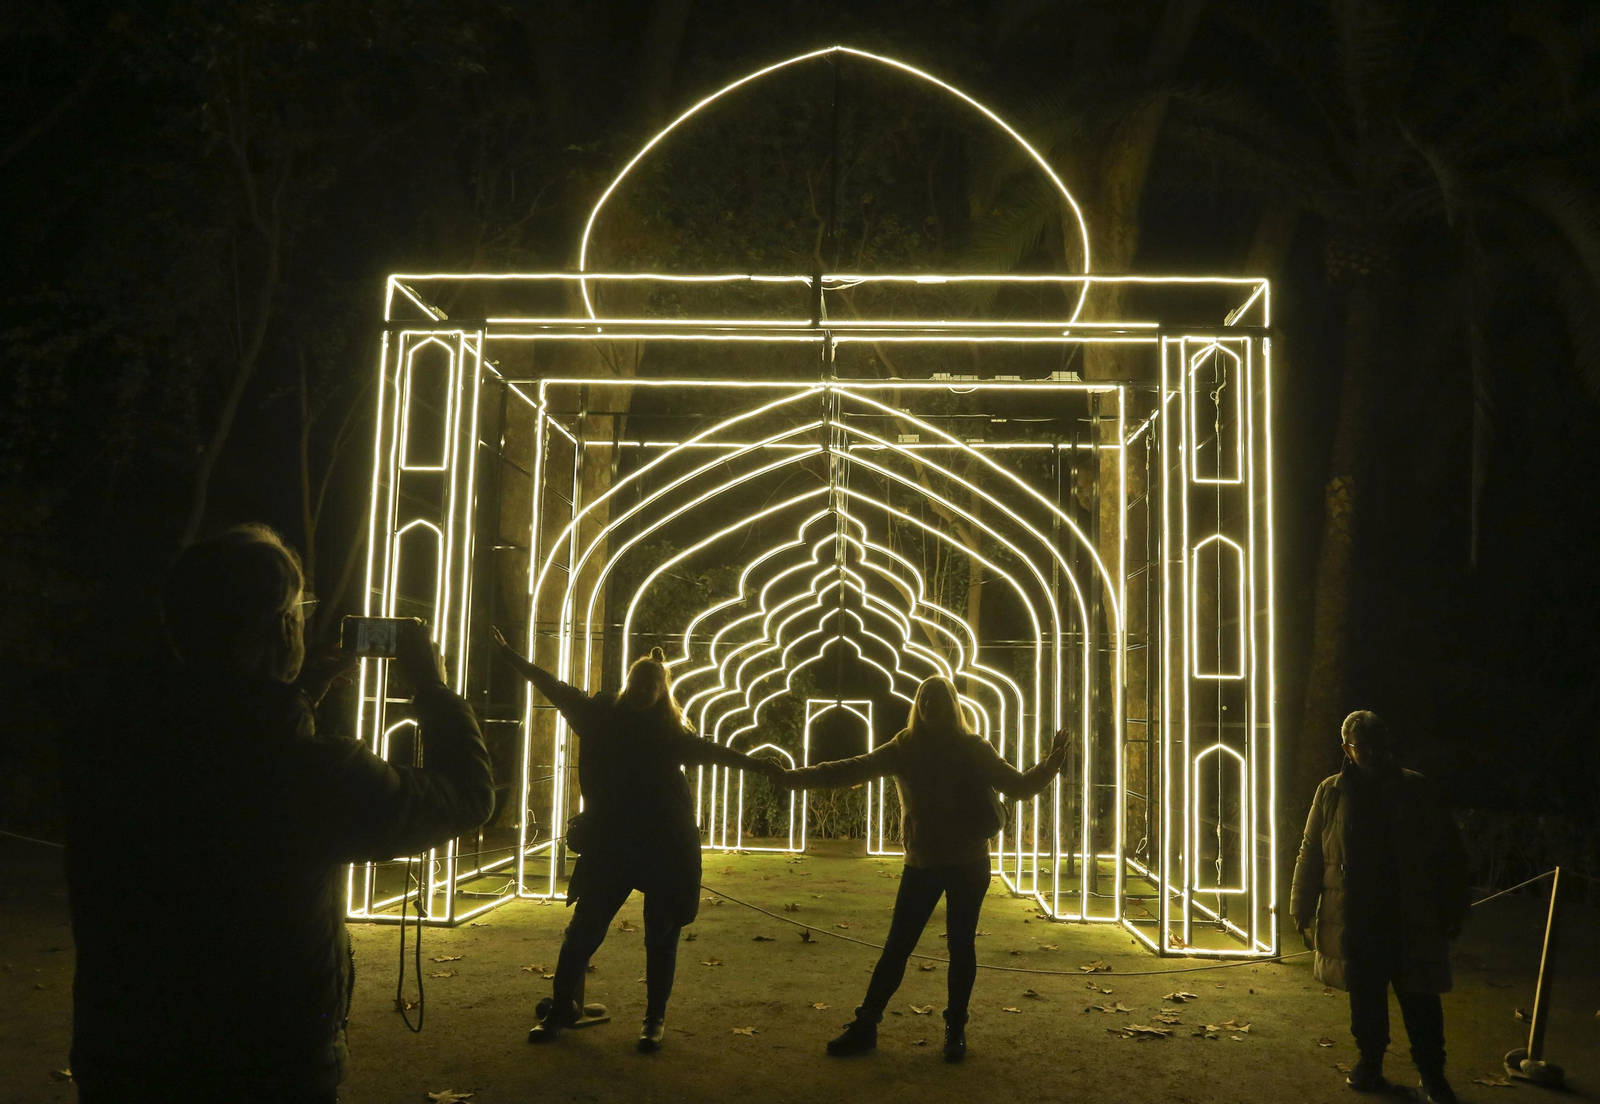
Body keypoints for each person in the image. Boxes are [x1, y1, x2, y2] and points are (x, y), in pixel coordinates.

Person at [62, 524, 495, 1104]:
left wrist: (296, 687)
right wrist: (433, 688)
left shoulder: (108, 747)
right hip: (264, 1066)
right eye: (299, 611)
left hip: (124, 1057)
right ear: (285, 627)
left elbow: (221, 729)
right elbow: (468, 796)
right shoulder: (311, 774)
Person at [492, 631, 783, 1053]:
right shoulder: (598, 715)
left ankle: (653, 1018)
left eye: (654, 685)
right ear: (630, 684)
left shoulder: (668, 733)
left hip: (663, 845)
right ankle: (561, 1009)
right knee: (583, 932)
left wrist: (761, 765)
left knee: (660, 935)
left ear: (661, 691)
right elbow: (551, 685)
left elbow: (715, 752)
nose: (646, 691)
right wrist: (509, 654)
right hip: (613, 843)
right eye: (641, 684)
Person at [773, 676, 1070, 1061]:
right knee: (899, 945)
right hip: (925, 863)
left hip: (967, 861)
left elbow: (1017, 786)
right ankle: (867, 1024)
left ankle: (954, 1029)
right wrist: (793, 778)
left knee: (960, 946)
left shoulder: (972, 747)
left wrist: (1049, 764)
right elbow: (851, 769)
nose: (930, 707)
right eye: (924, 700)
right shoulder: (906, 747)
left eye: (938, 700)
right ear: (917, 705)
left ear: (952, 705)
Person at [1291, 710, 1471, 1104]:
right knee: (1367, 998)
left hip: (1407, 914)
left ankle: (1431, 1074)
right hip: (1360, 916)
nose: (1369, 752)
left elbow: (1447, 851)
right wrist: (1301, 905)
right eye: (1361, 745)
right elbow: (1312, 852)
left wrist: (1454, 904)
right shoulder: (1332, 792)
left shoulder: (1414, 789)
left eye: (1375, 743)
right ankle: (1371, 1064)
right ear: (1346, 748)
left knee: (1420, 1000)